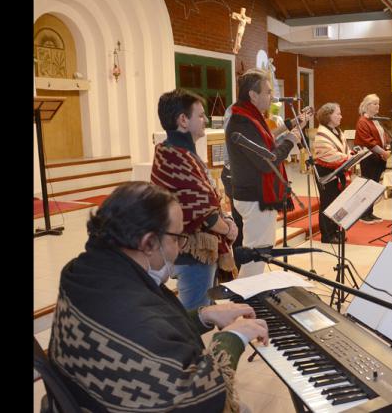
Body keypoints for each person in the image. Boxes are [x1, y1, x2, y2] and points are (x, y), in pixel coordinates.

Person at [48, 181, 269, 412]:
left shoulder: (84, 271)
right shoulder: (131, 318)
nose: (180, 248)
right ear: (149, 243)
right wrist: (233, 337)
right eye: (176, 238)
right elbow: (197, 401)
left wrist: (203, 315)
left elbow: (156, 329)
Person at [151, 89, 238, 311]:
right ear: (183, 120)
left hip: (191, 246)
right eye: (200, 115)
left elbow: (204, 200)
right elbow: (202, 212)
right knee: (195, 314)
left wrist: (224, 220)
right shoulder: (177, 156)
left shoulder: (173, 153)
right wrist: (227, 229)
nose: (206, 120)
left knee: (203, 308)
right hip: (193, 250)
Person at [225, 68, 302, 277]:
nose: (272, 97)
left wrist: (288, 133)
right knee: (256, 255)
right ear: (253, 95)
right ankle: (247, 300)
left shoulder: (251, 117)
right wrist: (290, 141)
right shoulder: (242, 121)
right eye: (268, 92)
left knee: (259, 252)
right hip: (255, 196)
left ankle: (252, 298)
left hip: (256, 194)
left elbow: (265, 147)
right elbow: (266, 162)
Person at [313, 103, 354, 244]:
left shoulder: (337, 131)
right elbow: (329, 154)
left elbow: (345, 149)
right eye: (338, 113)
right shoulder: (321, 134)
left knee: (338, 202)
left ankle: (337, 230)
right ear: (328, 116)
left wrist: (349, 156)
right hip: (326, 172)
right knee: (328, 202)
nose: (341, 116)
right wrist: (350, 158)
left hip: (338, 170)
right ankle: (327, 235)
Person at [354, 93, 389, 224]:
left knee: (373, 187)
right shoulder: (363, 121)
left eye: (378, 103)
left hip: (378, 158)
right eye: (375, 103)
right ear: (367, 106)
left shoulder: (376, 119)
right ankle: (363, 214)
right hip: (369, 159)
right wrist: (383, 152)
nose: (378, 106)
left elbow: (382, 136)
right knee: (367, 187)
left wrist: (386, 147)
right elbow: (368, 141)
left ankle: (370, 212)